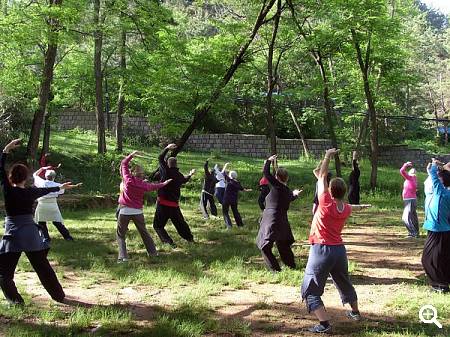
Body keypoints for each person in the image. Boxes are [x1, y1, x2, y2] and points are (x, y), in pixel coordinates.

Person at [0, 139, 79, 305]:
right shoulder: (30, 192)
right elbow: (46, 189)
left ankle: (16, 301)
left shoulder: (9, 191)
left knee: (4, 273)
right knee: (43, 268)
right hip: (30, 234)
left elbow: (0, 169)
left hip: (13, 235)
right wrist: (61, 187)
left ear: (10, 177)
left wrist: (6, 150)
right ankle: (59, 296)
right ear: (26, 178)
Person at [301, 148, 371, 334]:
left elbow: (322, 174)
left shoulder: (325, 203)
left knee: (311, 288)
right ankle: (355, 312)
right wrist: (363, 206)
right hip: (339, 251)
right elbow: (322, 177)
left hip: (321, 250)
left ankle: (324, 324)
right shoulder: (345, 208)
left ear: (330, 191)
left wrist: (327, 155)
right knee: (343, 281)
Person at [116, 151, 172, 262]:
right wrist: (165, 183)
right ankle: (153, 253)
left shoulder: (128, 180)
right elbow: (155, 186)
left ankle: (123, 257)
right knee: (144, 233)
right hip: (138, 212)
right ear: (142, 175)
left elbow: (123, 163)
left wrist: (132, 154)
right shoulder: (144, 185)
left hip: (124, 211)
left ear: (133, 173)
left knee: (120, 235)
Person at [256, 155, 301, 272]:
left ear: (277, 177)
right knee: (283, 245)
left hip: (271, 219)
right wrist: (295, 194)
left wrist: (268, 161)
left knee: (264, 246)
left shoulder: (278, 186)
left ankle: (275, 270)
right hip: (282, 221)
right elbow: (290, 198)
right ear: (287, 178)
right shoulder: (287, 191)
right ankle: (291, 267)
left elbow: (266, 173)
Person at [153, 143, 195, 248]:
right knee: (180, 224)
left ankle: (169, 243)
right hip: (174, 205)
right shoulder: (179, 175)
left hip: (162, 204)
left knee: (158, 226)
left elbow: (160, 157)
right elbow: (185, 180)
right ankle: (189, 238)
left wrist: (167, 148)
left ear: (167, 164)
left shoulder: (165, 171)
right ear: (176, 165)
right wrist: (190, 174)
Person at [422, 159, 450, 293]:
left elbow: (432, 173)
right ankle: (441, 283)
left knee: (432, 260)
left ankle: (440, 285)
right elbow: (431, 178)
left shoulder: (442, 193)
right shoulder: (436, 192)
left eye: (439, 178)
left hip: (439, 230)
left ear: (442, 181)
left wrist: (434, 164)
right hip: (436, 229)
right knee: (436, 258)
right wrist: (441, 168)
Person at [33, 168, 80, 242]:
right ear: (54, 177)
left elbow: (34, 175)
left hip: (42, 205)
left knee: (41, 222)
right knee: (57, 222)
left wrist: (42, 169)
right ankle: (67, 237)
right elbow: (65, 187)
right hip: (53, 205)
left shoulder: (41, 182)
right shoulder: (57, 185)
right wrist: (75, 186)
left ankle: (46, 238)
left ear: (45, 176)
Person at [399, 161, 419, 238]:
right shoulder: (413, 179)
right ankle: (416, 232)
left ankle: (413, 233)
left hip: (409, 200)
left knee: (406, 217)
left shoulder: (410, 178)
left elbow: (401, 171)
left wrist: (405, 165)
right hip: (412, 199)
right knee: (413, 216)